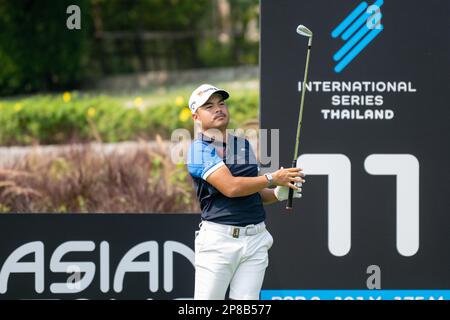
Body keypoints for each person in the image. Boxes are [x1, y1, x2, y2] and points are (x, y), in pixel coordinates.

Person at [186, 84, 305, 300]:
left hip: (256, 239)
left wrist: (279, 192)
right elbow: (231, 188)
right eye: (209, 106)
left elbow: (254, 192)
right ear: (196, 117)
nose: (218, 109)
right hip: (219, 242)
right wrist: (272, 178)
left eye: (221, 103)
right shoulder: (198, 150)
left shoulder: (242, 145)